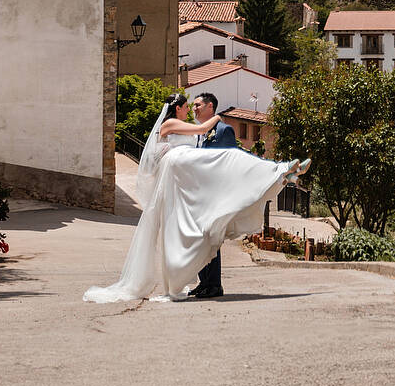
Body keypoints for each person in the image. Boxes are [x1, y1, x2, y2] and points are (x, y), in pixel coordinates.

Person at [83, 93, 307, 304]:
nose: (191, 109)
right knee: (230, 160)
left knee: (232, 159)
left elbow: (200, 134)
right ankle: (280, 172)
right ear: (177, 108)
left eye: (196, 106)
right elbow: (201, 129)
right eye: (188, 107)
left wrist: (216, 118)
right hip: (180, 173)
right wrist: (218, 115)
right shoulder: (169, 124)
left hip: (188, 176)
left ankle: (281, 173)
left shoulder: (192, 128)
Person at [188, 92, 235, 298]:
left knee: (211, 239)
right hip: (197, 195)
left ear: (210, 107)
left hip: (215, 195)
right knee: (198, 238)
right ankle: (204, 281)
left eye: (198, 105)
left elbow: (230, 162)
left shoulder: (224, 130)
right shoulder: (196, 132)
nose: (194, 108)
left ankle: (214, 284)